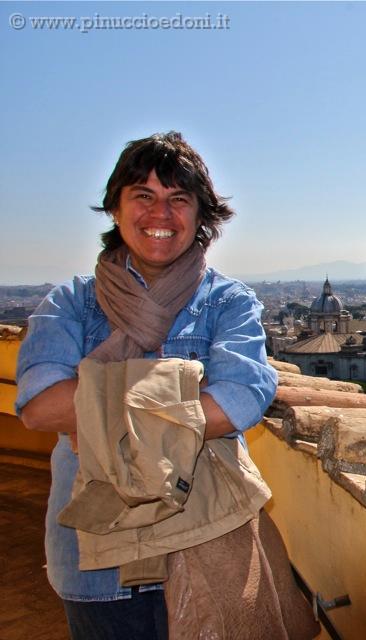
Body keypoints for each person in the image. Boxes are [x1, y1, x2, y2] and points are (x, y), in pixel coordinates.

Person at [15, 131, 278, 639]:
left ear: (202, 216)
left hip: (202, 541)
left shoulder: (228, 302)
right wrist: (182, 398)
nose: (161, 215)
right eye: (144, 196)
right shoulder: (70, 302)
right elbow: (42, 406)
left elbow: (241, 398)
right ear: (115, 208)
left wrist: (97, 399)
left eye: (179, 199)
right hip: (93, 560)